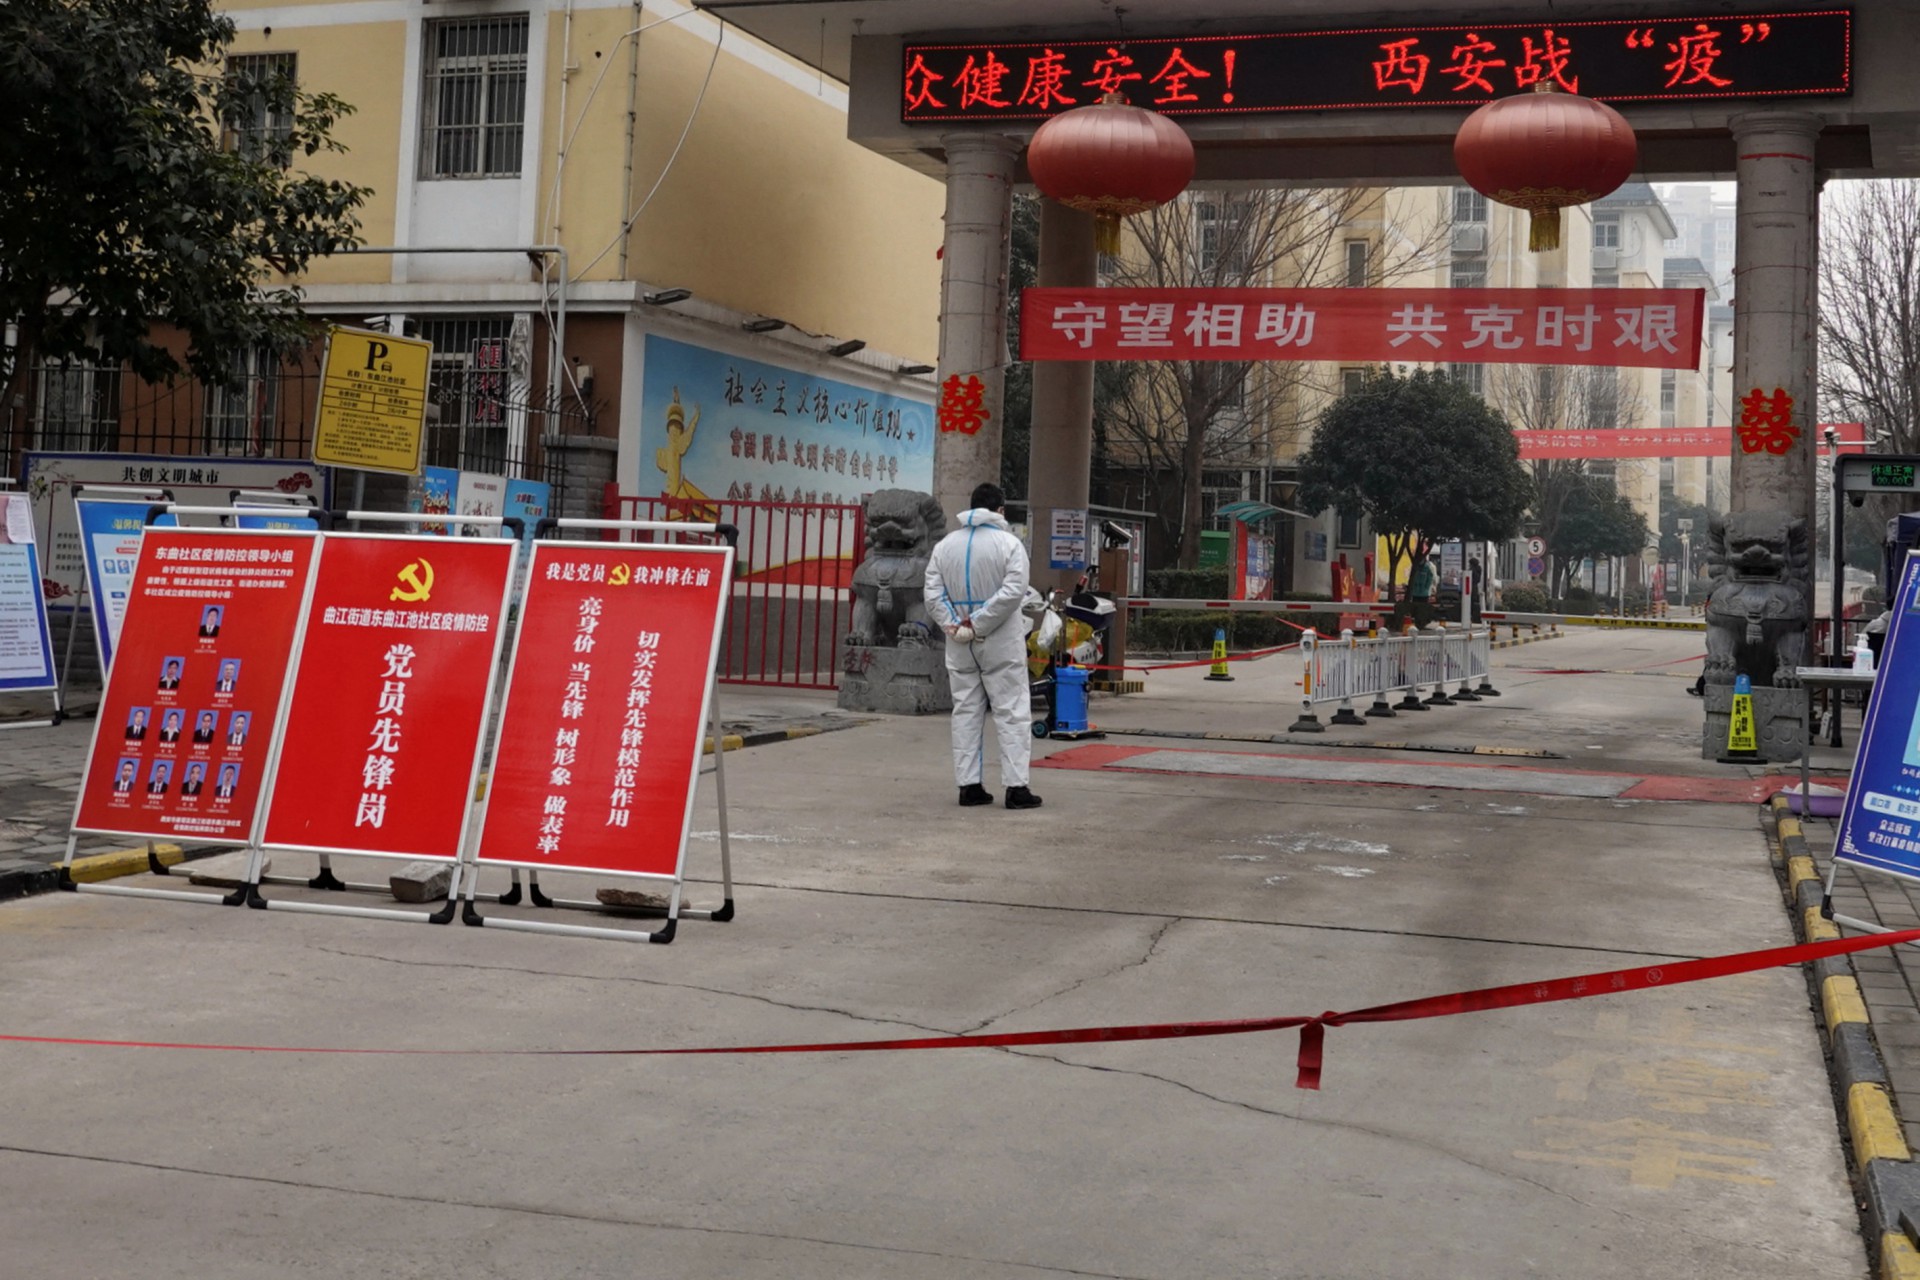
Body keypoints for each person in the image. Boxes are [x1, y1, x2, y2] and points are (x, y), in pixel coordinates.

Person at [923, 482, 1041, 810]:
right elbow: (1013, 591)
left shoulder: (945, 546)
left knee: (965, 710)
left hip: (958, 643)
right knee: (1011, 710)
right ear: (1000, 510)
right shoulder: (1010, 544)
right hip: (1000, 640)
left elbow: (932, 594)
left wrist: (954, 625)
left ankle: (969, 786)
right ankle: (1016, 788)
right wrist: (979, 623)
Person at [1408, 542, 1436, 609]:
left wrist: (1426, 587)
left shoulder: (1428, 567)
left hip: (1424, 593)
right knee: (1415, 608)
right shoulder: (1415, 567)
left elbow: (1430, 578)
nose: (1420, 560)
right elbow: (1411, 577)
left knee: (1422, 608)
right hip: (1415, 593)